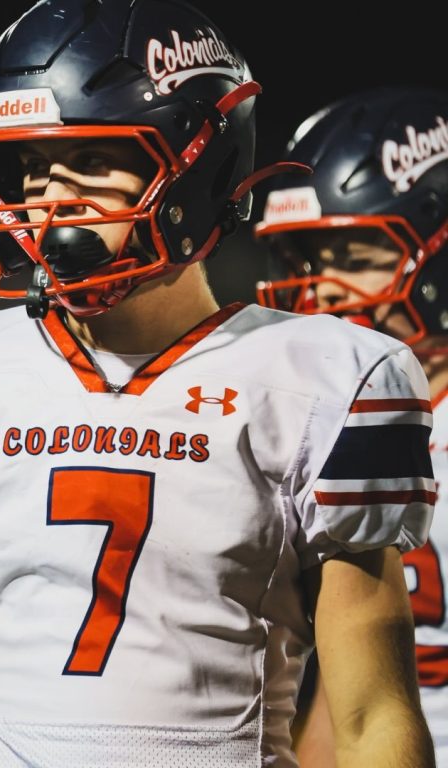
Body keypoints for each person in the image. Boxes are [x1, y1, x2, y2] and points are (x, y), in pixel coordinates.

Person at [0, 3, 436, 766]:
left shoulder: (325, 379)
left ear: (201, 167)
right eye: (31, 168)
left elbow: (370, 716)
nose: (51, 199)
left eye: (91, 160)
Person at [253, 85, 448, 766]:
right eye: (308, 261)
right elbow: (348, 697)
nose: (324, 288)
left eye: (357, 258)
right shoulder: (321, 432)